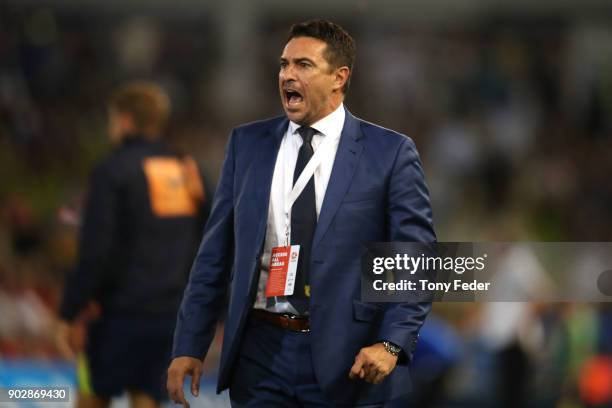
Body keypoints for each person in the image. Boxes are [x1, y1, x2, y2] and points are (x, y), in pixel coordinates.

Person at [167, 20, 436, 407]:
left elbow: (415, 257)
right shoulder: (248, 145)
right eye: (283, 64)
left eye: (303, 65)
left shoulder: (389, 153)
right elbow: (214, 255)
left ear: (339, 78)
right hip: (260, 354)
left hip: (349, 358)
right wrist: (189, 343)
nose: (287, 75)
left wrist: (391, 344)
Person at [55, 81, 210, 408]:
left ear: (124, 120)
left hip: (118, 315)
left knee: (92, 397)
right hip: (171, 315)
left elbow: (95, 251)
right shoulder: (188, 171)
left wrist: (70, 311)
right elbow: (208, 243)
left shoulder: (113, 171)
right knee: (147, 400)